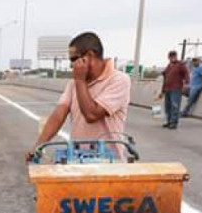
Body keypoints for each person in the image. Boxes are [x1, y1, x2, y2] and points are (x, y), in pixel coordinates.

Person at [34, 31, 131, 159]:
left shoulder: (119, 80)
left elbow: (91, 115)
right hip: (78, 158)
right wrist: (38, 147)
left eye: (73, 59)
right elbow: (58, 116)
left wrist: (80, 80)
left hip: (109, 161)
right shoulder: (73, 84)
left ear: (90, 55)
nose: (71, 65)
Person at [155, 50, 189, 129]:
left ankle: (174, 122)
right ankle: (169, 121)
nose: (172, 58)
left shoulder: (180, 64)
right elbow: (165, 77)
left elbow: (186, 74)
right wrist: (163, 90)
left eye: (173, 56)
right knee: (168, 106)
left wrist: (185, 83)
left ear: (176, 56)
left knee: (175, 105)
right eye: (171, 57)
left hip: (176, 88)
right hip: (167, 88)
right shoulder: (169, 66)